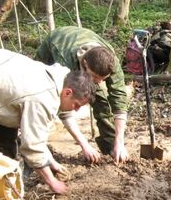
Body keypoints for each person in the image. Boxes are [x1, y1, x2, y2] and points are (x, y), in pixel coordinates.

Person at [0, 48, 96, 195]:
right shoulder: (42, 98)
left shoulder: (61, 79)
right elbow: (32, 146)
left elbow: (35, 133)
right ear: (67, 93)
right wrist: (52, 182)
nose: (76, 110)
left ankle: (6, 197)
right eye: (76, 105)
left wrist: (49, 160)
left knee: (7, 151)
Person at [35, 26, 129, 163]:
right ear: (85, 64)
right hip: (54, 46)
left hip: (82, 40)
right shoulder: (64, 64)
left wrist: (119, 141)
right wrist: (84, 145)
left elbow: (119, 98)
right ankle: (39, 149)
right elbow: (64, 105)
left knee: (102, 101)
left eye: (103, 79)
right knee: (46, 98)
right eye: (95, 78)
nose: (98, 83)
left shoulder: (111, 62)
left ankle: (110, 148)